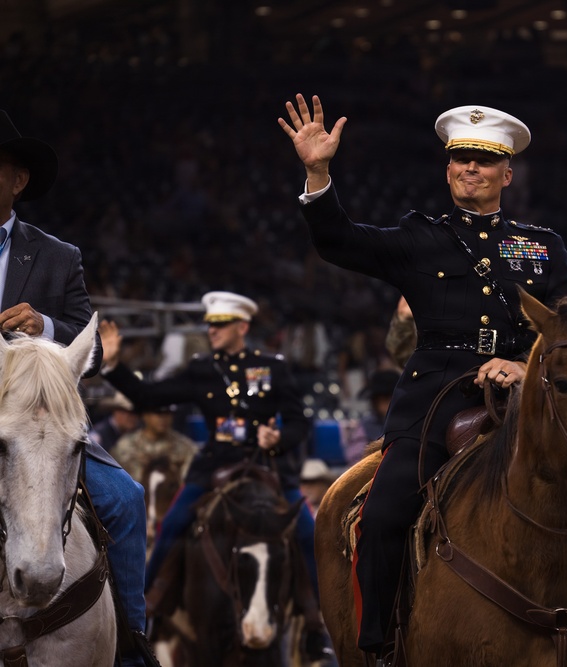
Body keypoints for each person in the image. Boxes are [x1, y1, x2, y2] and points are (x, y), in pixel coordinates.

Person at [279, 96, 567, 656]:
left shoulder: (544, 247)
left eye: (485, 160)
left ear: (506, 173)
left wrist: (523, 362)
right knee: (386, 510)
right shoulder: (422, 238)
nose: (472, 168)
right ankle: (378, 646)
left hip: (532, 392)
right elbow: (338, 240)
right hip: (438, 392)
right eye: (462, 157)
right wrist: (317, 171)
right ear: (447, 169)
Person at [99, 290, 332, 661]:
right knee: (171, 526)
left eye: (220, 324)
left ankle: (319, 626)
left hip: (267, 465)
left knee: (307, 533)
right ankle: (146, 613)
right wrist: (113, 366)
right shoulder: (202, 370)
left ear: (242, 326)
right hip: (214, 468)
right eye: (209, 324)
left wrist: (277, 439)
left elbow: (301, 422)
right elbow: (146, 397)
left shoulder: (271, 366)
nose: (211, 330)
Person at [0, 110, 152, 665]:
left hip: (42, 421)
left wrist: (44, 326)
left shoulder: (58, 256)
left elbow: (95, 347)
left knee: (126, 500)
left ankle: (132, 642)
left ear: (18, 180)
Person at [110, 404, 198, 483]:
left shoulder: (186, 447)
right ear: (145, 415)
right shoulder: (125, 446)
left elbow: (190, 483)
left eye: (167, 413)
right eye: (158, 413)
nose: (163, 418)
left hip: (172, 499)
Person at [342, 368, 401, 464]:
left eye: (386, 399)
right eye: (378, 400)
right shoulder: (367, 424)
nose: (381, 405)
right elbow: (355, 460)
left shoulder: (408, 423)